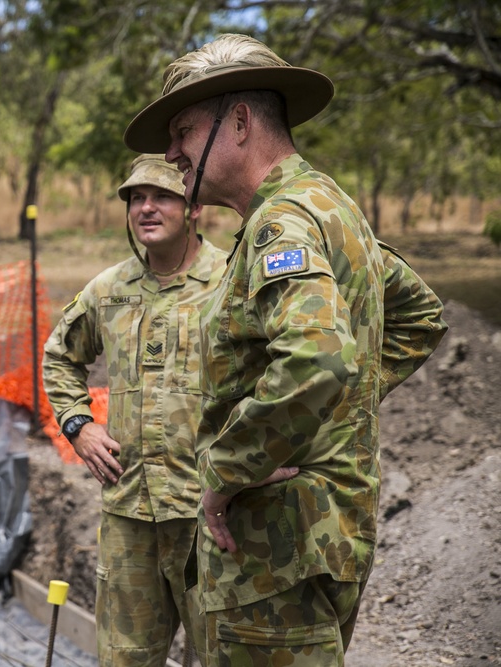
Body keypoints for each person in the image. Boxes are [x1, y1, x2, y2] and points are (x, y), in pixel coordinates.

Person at [123, 34, 447, 666]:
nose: (171, 153)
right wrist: (326, 422)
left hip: (273, 550)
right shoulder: (332, 207)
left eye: (184, 130)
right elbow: (417, 316)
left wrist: (228, 468)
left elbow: (319, 358)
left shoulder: (283, 224)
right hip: (324, 534)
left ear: (239, 123)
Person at [42, 155, 229, 666]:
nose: (146, 208)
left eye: (162, 196)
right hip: (129, 516)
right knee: (125, 659)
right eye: (134, 198)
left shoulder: (232, 283)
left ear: (193, 207)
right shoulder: (109, 290)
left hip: (211, 514)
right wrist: (78, 426)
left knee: (224, 655)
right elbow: (59, 357)